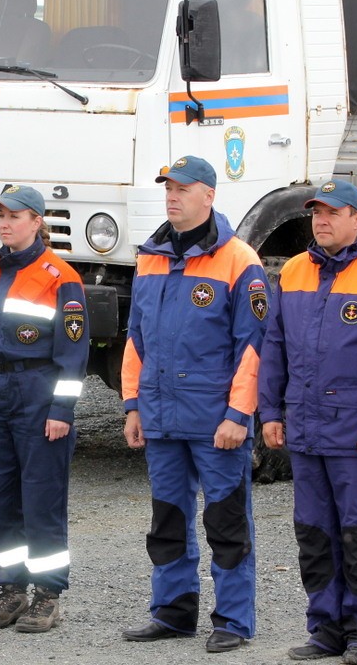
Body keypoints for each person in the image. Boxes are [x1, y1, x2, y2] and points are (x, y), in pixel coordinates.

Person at [258, 179, 357, 664]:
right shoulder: (293, 272)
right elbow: (275, 346)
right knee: (313, 533)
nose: (321, 221)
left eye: (332, 213)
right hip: (306, 431)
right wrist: (270, 412)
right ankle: (325, 629)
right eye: (316, 213)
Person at [120, 155, 267, 654]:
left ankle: (233, 619)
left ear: (209, 195)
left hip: (214, 422)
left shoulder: (239, 259)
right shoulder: (150, 256)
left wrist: (238, 415)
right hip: (160, 417)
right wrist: (132, 405)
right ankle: (173, 612)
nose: (172, 196)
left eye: (183, 188)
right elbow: (136, 338)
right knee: (167, 521)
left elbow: (254, 346)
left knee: (225, 522)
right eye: (168, 187)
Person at [0, 185, 89, 633]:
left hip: (36, 394)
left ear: (37, 222)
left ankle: (47, 595)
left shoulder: (59, 276)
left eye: (14, 215)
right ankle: (10, 589)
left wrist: (61, 411)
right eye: (0, 216)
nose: (4, 223)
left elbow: (73, 356)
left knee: (41, 499)